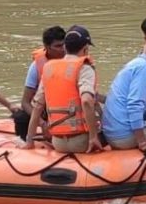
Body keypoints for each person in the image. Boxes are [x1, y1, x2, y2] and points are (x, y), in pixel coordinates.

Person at [24, 26, 101, 154]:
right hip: (82, 141)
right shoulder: (84, 68)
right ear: (86, 48)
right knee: (114, 130)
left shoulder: (48, 68)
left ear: (65, 47)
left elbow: (37, 107)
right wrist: (93, 137)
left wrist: (29, 142)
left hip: (58, 142)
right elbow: (87, 101)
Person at [14, 25, 66, 140]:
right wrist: (42, 123)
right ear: (47, 47)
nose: (63, 49)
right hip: (44, 108)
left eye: (64, 44)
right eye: (58, 46)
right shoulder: (36, 67)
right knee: (21, 117)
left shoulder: (73, 62)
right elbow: (25, 102)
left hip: (66, 108)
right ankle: (24, 142)